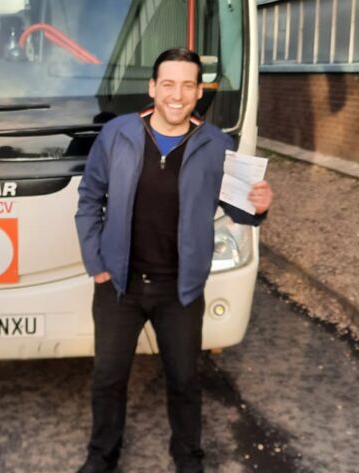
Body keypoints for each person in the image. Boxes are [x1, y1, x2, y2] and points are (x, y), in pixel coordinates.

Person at [74, 48, 273, 473]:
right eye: (168, 84)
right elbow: (89, 200)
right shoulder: (118, 135)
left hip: (179, 291)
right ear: (153, 89)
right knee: (108, 380)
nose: (177, 95)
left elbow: (241, 212)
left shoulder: (219, 144)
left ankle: (188, 459)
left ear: (199, 91)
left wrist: (259, 204)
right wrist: (97, 263)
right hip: (119, 286)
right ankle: (101, 458)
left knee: (184, 381)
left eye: (187, 85)